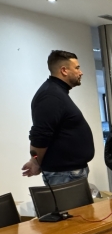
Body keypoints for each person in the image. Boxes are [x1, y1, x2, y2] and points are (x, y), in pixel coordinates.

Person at [22, 50, 95, 186]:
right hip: (64, 174)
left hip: (69, 173)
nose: (81, 72)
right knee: (70, 203)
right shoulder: (50, 95)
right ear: (64, 70)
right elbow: (40, 135)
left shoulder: (57, 92)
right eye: (77, 68)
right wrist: (35, 162)